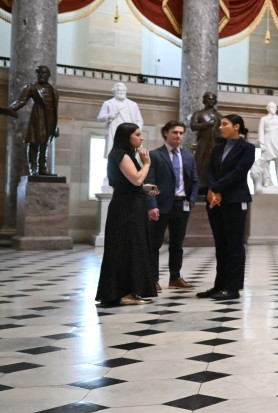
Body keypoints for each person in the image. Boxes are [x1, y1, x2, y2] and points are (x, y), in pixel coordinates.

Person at [94, 123, 158, 306]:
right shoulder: (122, 155)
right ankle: (126, 292)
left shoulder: (123, 154)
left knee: (129, 246)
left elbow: (128, 182)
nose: (141, 137)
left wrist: (145, 188)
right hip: (127, 207)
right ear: (126, 137)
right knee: (128, 246)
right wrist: (147, 164)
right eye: (137, 134)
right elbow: (137, 179)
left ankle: (127, 291)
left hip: (128, 203)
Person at [196, 114, 255, 302]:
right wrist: (213, 189)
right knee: (221, 244)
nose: (220, 128)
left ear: (236, 126)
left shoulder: (247, 148)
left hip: (235, 200)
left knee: (234, 244)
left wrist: (216, 189)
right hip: (215, 201)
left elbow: (238, 173)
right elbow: (209, 171)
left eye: (224, 124)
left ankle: (233, 287)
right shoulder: (218, 148)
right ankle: (219, 285)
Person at [146, 120, 199, 292]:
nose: (178, 136)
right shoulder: (155, 155)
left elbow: (195, 180)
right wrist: (152, 205)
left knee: (177, 244)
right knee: (155, 244)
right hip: (160, 206)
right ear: (166, 133)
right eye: (175, 132)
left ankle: (175, 277)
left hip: (181, 205)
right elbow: (150, 182)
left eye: (181, 133)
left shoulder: (189, 156)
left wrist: (191, 199)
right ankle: (152, 279)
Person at [0, 65, 59, 176]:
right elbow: (20, 101)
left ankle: (43, 169)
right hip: (37, 118)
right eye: (39, 73)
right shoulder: (31, 87)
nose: (41, 75)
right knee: (34, 144)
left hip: (50, 122)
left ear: (48, 75)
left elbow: (55, 110)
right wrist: (8, 109)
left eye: (44, 73)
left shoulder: (54, 91)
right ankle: (33, 170)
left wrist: (55, 126)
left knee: (44, 146)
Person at [97, 82, 144, 160]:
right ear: (114, 92)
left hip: (130, 134)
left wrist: (136, 132)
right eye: (119, 91)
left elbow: (139, 121)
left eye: (123, 91)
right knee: (114, 157)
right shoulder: (108, 103)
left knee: (131, 156)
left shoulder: (133, 104)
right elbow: (99, 118)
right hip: (115, 134)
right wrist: (109, 116)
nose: (121, 93)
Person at [189, 91, 222, 192]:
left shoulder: (219, 115)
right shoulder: (198, 113)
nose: (211, 101)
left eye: (213, 99)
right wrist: (206, 125)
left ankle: (212, 185)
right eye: (208, 98)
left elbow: (222, 129)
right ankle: (200, 185)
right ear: (204, 100)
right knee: (200, 163)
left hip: (216, 143)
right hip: (202, 143)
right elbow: (193, 126)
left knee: (214, 164)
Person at [258, 101, 278, 188]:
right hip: (267, 141)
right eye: (271, 107)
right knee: (265, 162)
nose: (273, 109)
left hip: (277, 141)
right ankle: (267, 181)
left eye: (275, 107)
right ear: (267, 108)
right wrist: (262, 144)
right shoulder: (263, 119)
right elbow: (261, 131)